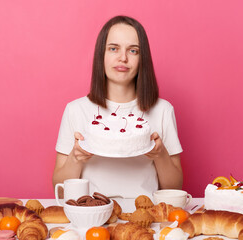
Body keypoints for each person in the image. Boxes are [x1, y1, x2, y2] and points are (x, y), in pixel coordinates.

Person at [52, 15, 183, 198]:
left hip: (145, 216)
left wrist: (160, 155)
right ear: (101, 55)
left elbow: (175, 188)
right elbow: (59, 186)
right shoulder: (76, 110)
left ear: (142, 59)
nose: (123, 58)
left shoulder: (162, 110)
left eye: (133, 51)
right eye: (114, 49)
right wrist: (75, 157)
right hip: (91, 213)